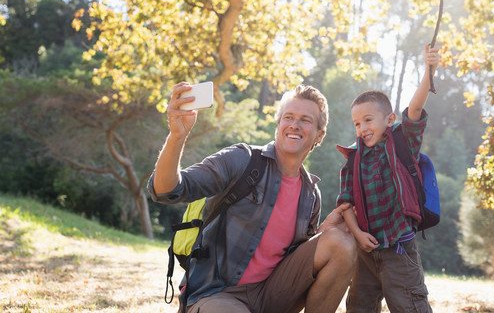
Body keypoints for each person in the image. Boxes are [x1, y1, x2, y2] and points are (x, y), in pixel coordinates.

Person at [148, 82, 357, 313]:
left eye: (305, 120)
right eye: (288, 117)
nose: (294, 125)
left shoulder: (310, 194)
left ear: (319, 135)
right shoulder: (242, 159)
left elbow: (293, 262)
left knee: (341, 243)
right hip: (218, 294)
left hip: (271, 296)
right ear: (278, 124)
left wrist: (323, 234)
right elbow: (166, 190)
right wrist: (177, 136)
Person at [336, 44, 441, 313]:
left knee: (410, 306)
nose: (362, 128)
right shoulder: (353, 160)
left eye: (368, 120)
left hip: (400, 249)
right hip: (367, 252)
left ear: (390, 119)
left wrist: (428, 73)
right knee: (359, 306)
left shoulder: (402, 143)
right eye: (357, 123)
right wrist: (358, 235)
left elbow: (415, 109)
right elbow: (345, 205)